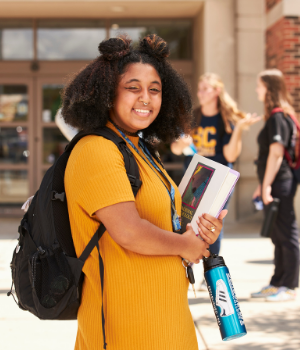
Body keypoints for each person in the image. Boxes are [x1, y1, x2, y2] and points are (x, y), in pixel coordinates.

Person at [61, 34, 228, 350]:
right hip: (125, 327)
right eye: (133, 87)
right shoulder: (96, 149)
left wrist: (197, 232)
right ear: (107, 92)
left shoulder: (141, 150)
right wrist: (184, 245)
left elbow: (161, 224)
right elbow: (129, 230)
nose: (146, 98)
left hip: (167, 318)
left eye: (155, 89)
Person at [171, 73, 260, 259]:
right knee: (185, 219)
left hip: (218, 179)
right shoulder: (193, 116)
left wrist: (239, 130)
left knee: (211, 223)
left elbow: (230, 155)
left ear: (216, 91)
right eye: (199, 89)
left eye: (205, 89)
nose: (200, 93)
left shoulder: (226, 119)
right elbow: (176, 149)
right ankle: (187, 260)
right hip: (195, 177)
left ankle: (210, 265)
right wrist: (182, 143)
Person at [251, 69, 299, 301]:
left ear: (269, 88)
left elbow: (277, 153)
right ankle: (277, 281)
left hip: (281, 183)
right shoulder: (279, 116)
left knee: (287, 234)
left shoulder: (278, 117)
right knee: (278, 235)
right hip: (275, 182)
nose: (257, 90)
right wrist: (262, 185)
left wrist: (267, 184)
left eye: (260, 86)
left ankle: (289, 286)